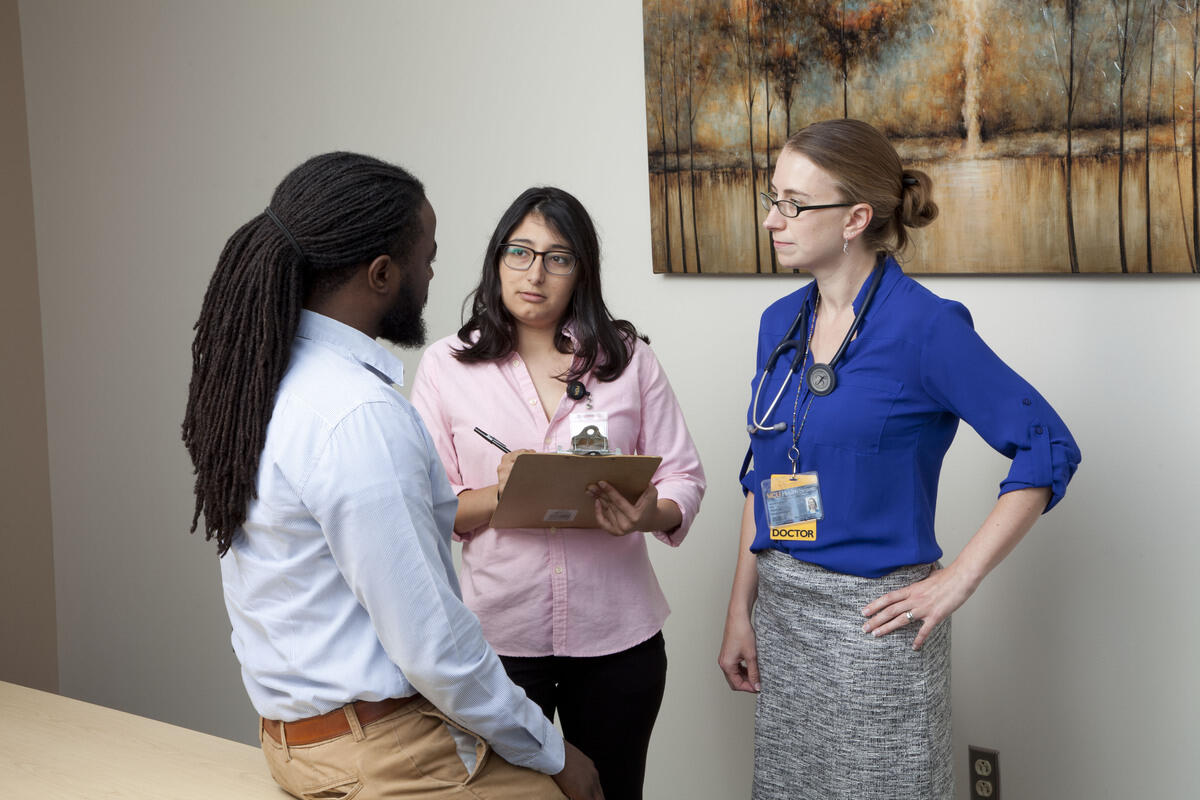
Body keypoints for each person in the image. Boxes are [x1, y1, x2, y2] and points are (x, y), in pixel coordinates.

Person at [181, 153, 603, 800]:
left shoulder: (259, 377)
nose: (433, 275)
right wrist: (554, 752)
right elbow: (434, 648)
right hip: (381, 753)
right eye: (427, 258)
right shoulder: (361, 416)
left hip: (295, 740)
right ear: (383, 275)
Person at [717, 120, 1081, 800]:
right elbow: (763, 477)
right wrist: (741, 608)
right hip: (784, 615)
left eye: (793, 204)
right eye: (772, 198)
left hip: (873, 628)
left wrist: (958, 581)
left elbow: (1047, 446)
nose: (772, 219)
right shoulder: (779, 323)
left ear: (856, 217)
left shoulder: (928, 327)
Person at [411, 186, 705, 800]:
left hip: (618, 639)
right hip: (497, 643)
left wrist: (648, 511)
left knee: (614, 792)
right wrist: (502, 492)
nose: (535, 273)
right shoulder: (446, 365)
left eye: (558, 257)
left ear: (582, 271)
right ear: (496, 261)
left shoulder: (626, 360)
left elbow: (683, 477)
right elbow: (429, 508)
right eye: (520, 253)